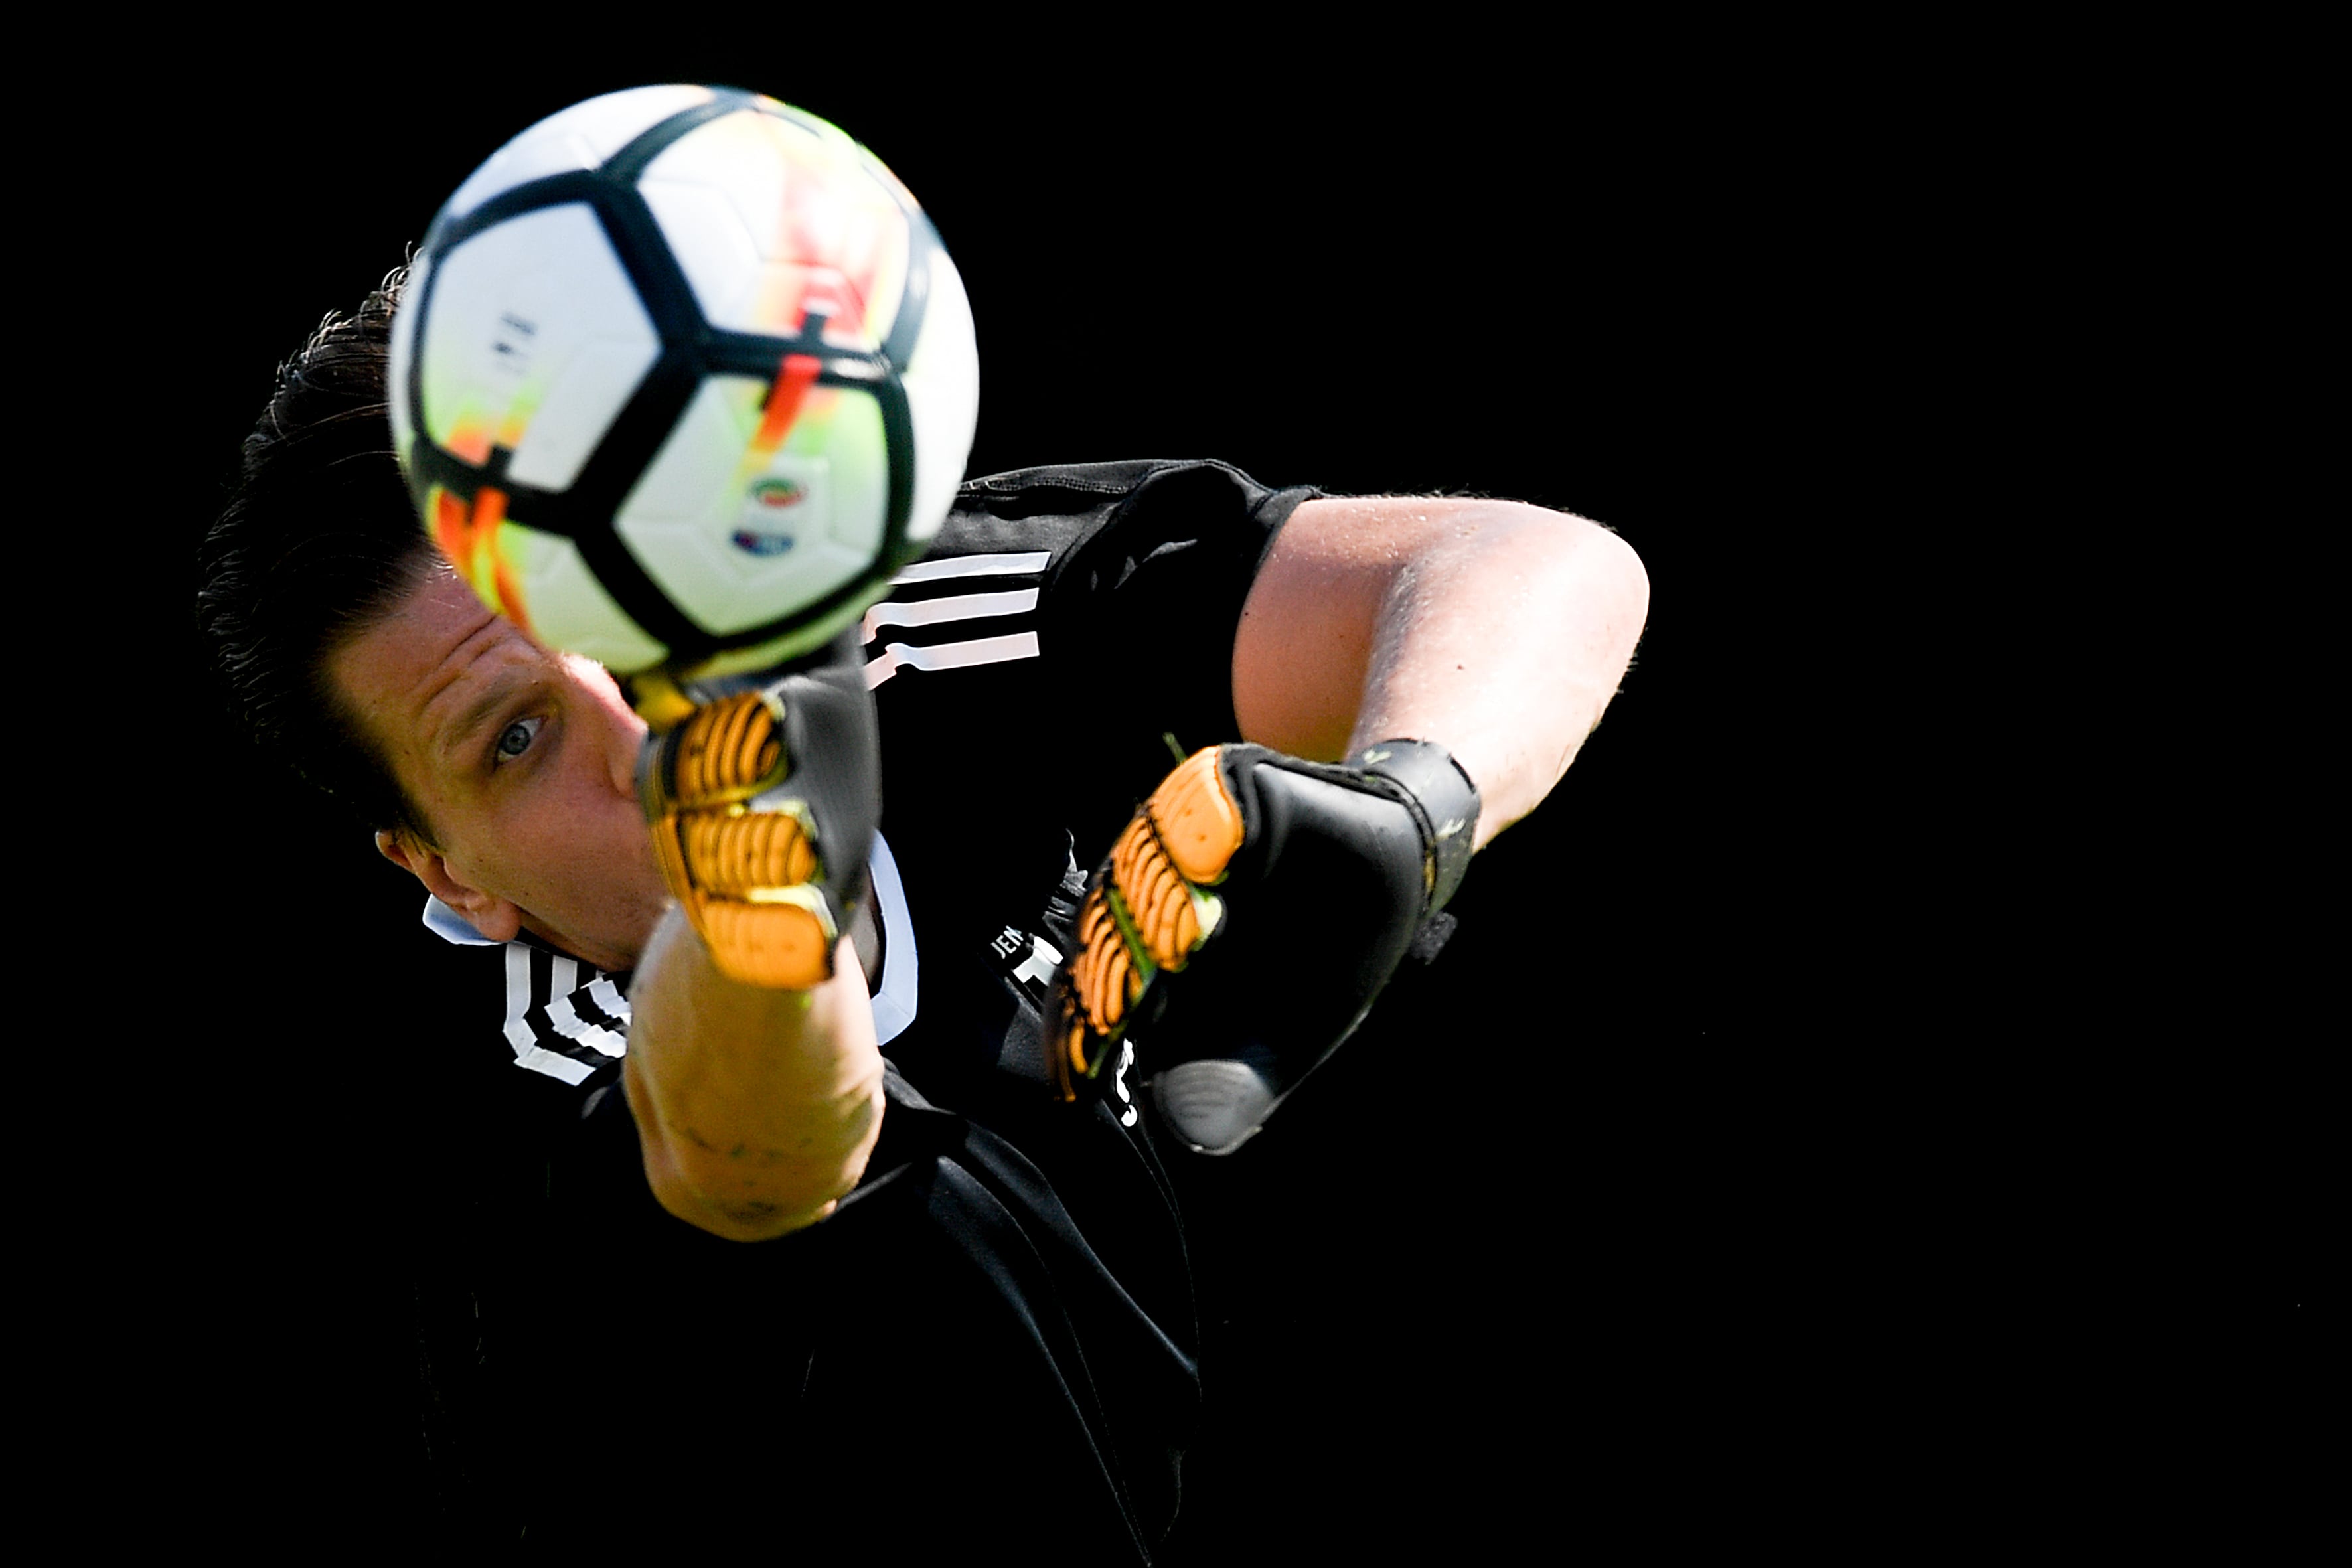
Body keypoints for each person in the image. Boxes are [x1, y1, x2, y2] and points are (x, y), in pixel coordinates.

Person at [196, 272, 1649, 1556]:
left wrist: (1407, 803)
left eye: (613, 601)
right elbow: (765, 1136)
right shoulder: (504, 1124)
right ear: (449, 872)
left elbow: (1530, 567)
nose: (631, 733)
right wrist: (768, 831)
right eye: (513, 738)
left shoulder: (904, 619)